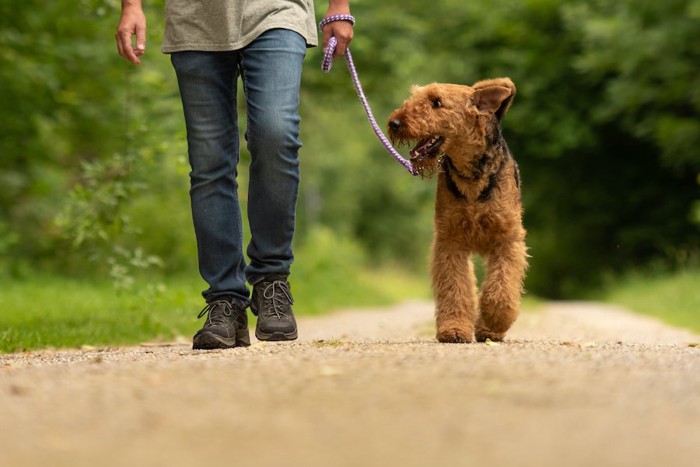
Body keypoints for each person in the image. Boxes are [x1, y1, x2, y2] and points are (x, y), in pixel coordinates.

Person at [116, 0, 354, 349]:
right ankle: (224, 300)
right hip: (194, 19)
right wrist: (131, 5)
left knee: (276, 134)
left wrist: (339, 6)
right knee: (209, 162)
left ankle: (272, 278)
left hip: (278, 11)